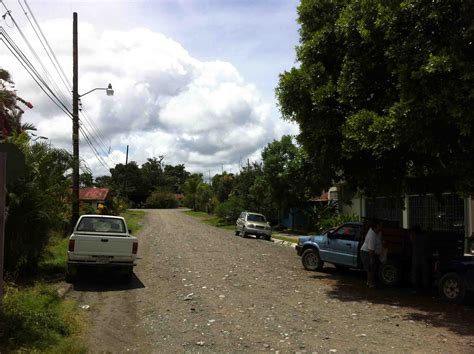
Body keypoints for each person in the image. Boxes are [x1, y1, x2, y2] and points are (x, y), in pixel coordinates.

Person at [360, 220, 383, 288]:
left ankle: (369, 282)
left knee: (373, 268)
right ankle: (370, 283)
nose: (381, 227)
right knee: (370, 268)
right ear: (375, 227)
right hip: (367, 252)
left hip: (374, 252)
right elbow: (371, 249)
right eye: (379, 226)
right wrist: (371, 259)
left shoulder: (378, 232)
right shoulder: (371, 235)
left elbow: (380, 240)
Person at [409, 225, 430, 290]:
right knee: (424, 273)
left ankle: (415, 288)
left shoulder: (414, 237)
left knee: (415, 273)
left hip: (416, 257)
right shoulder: (425, 237)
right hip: (423, 257)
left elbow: (411, 240)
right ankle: (425, 287)